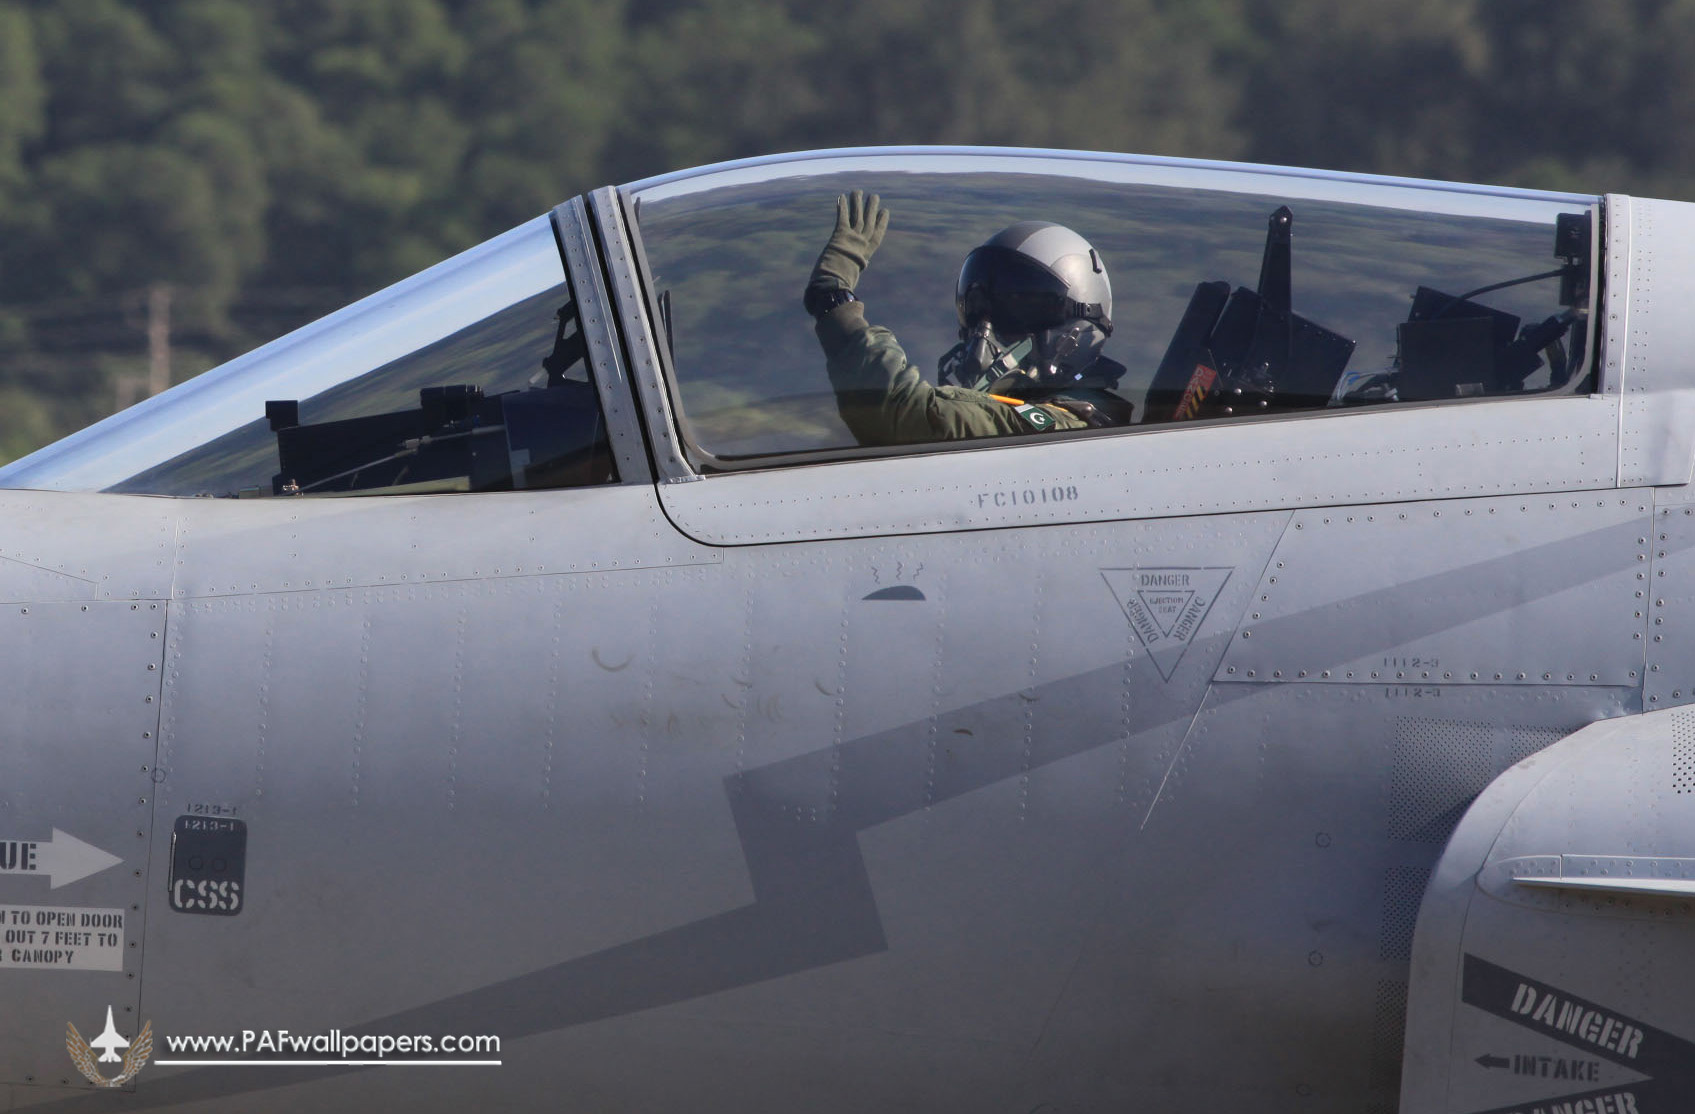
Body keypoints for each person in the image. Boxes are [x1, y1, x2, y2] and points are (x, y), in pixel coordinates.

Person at [803, 191, 1131, 446]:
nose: (984, 334)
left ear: (1071, 333)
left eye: (1015, 313)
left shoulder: (1067, 427)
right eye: (976, 314)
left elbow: (904, 414)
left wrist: (835, 301)